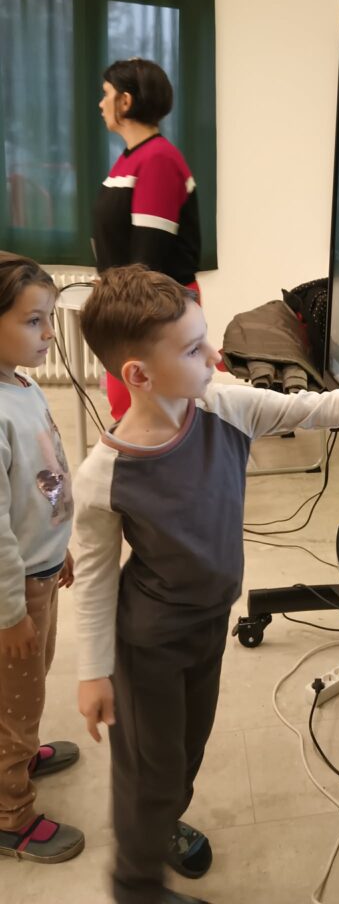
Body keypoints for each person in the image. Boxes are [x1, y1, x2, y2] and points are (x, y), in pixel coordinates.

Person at [72, 264, 339, 904]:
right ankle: (136, 886)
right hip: (147, 645)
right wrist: (94, 671)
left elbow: (316, 406)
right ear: (139, 376)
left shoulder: (228, 408)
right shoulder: (103, 475)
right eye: (193, 349)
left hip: (208, 627)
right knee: (149, 772)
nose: (216, 356)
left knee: (184, 754)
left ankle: (162, 821)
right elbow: (97, 579)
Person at [0, 252, 83, 864]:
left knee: (28, 685)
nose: (49, 334)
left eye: (50, 319)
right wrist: (10, 615)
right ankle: (10, 816)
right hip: (15, 591)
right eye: (34, 321)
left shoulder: (22, 387)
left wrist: (59, 548)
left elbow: (41, 483)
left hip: (41, 571)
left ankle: (21, 753)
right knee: (15, 701)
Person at [92, 58, 202, 422]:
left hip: (153, 311)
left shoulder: (157, 160)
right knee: (129, 414)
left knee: (149, 419)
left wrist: (119, 307)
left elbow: (147, 261)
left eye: (106, 94)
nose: (101, 103)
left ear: (125, 101)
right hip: (131, 306)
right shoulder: (131, 158)